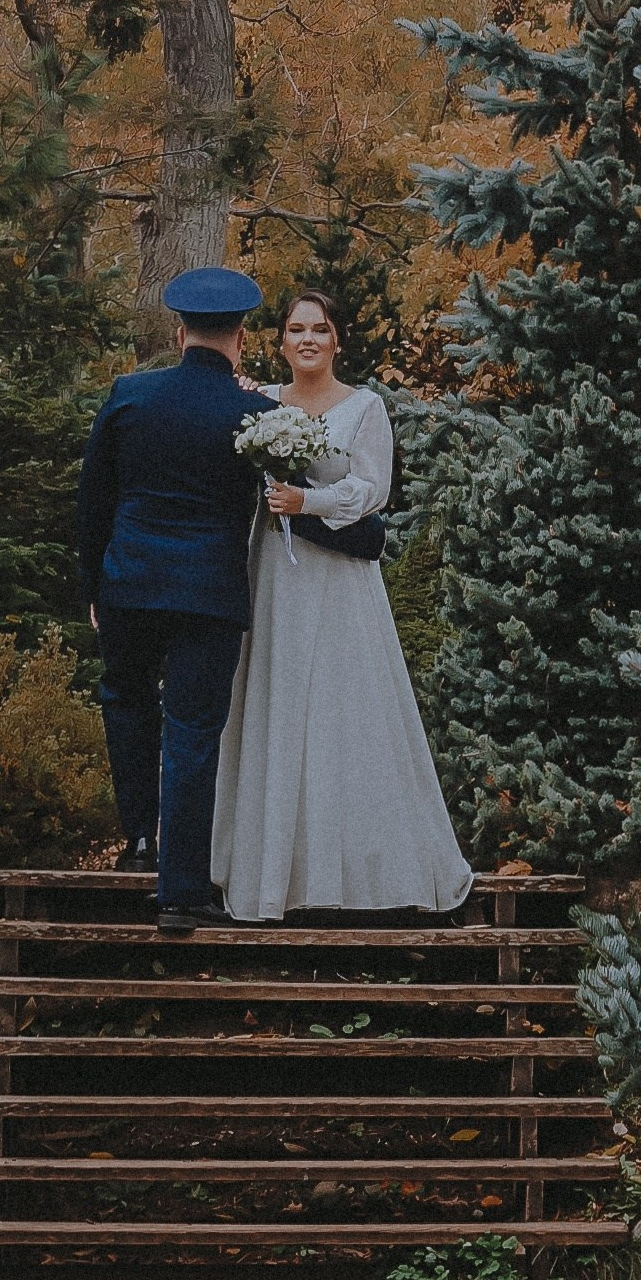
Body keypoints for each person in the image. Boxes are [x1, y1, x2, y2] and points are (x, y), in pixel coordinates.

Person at [213, 289, 473, 921]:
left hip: (338, 578)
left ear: (335, 341)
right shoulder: (263, 403)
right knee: (274, 701)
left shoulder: (366, 407)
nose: (307, 339)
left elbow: (372, 489)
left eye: (319, 329)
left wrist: (311, 503)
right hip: (273, 569)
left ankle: (362, 870)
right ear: (280, 342)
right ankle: (272, 868)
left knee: (345, 704)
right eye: (296, 329)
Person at [76, 265, 267, 932]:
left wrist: (92, 585)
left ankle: (138, 842)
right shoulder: (256, 414)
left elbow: (93, 499)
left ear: (178, 331)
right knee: (192, 732)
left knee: (127, 703)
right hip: (209, 590)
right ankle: (182, 890)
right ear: (240, 336)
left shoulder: (130, 395)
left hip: (129, 580)